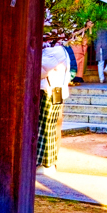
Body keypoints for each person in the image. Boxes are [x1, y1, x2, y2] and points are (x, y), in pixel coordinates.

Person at [37, 42, 71, 172]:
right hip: (57, 92)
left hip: (49, 92)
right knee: (49, 128)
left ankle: (45, 163)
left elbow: (38, 70)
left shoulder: (53, 51)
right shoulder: (61, 50)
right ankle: (48, 162)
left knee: (45, 128)